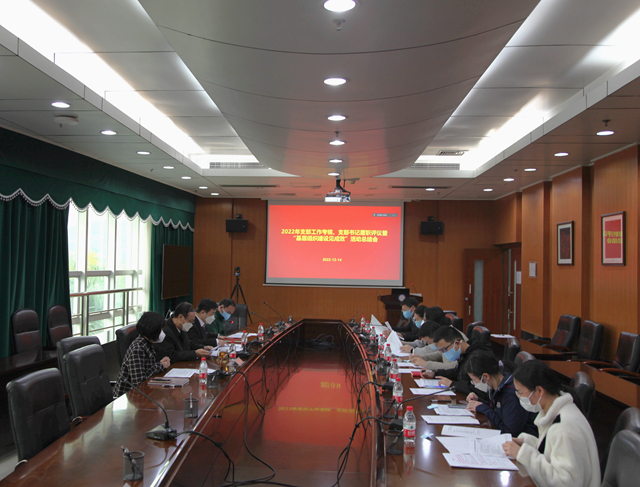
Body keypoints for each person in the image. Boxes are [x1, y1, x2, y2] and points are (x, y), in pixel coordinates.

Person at [502, 360, 600, 487]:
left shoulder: (564, 427)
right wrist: (525, 443)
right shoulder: (555, 411)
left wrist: (522, 454)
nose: (519, 397)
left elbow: (566, 482)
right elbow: (551, 451)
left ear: (539, 390)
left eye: (520, 393)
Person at [465, 352, 538, 437]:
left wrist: (484, 409)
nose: (474, 384)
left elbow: (509, 433)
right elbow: (498, 410)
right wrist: (479, 401)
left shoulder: (511, 394)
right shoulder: (499, 385)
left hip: (524, 440)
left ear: (486, 376)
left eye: (474, 380)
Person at [420, 325, 492, 395]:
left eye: (445, 349)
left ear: (457, 343)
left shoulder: (477, 357)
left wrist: (452, 384)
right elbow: (457, 372)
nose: (444, 353)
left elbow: (479, 389)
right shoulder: (465, 353)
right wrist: (435, 374)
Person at [113, 311, 171, 397]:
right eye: (161, 330)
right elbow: (139, 382)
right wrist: (160, 365)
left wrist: (162, 365)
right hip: (128, 396)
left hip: (144, 392)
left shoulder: (148, 343)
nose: (162, 333)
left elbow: (149, 369)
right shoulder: (138, 348)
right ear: (153, 330)